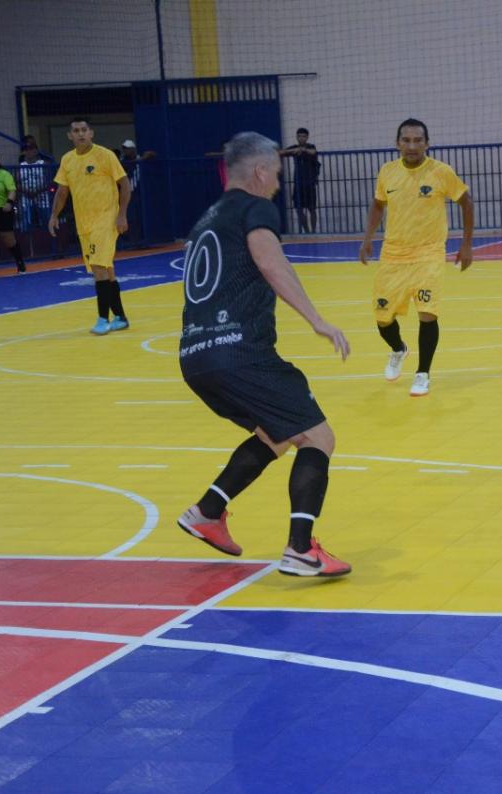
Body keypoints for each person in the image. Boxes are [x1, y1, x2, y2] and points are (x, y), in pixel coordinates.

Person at [176, 131, 352, 577]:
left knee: (276, 434)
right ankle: (300, 550)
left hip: (195, 357)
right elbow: (272, 262)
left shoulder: (205, 221)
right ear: (258, 171)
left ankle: (207, 512)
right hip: (239, 352)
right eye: (274, 173)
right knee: (318, 438)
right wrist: (317, 319)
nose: (276, 182)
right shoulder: (256, 208)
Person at [358, 118, 474, 397]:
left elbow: (465, 201)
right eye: (406, 140)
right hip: (393, 254)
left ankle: (423, 373)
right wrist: (367, 239)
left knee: (427, 313)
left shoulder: (441, 172)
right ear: (397, 143)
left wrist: (466, 244)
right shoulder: (387, 172)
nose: (412, 145)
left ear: (427, 143)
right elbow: (377, 205)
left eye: (417, 140)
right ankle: (399, 349)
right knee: (382, 318)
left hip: (429, 253)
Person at [48, 117, 132, 334]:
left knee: (98, 268)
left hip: (106, 218)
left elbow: (124, 185)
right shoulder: (67, 160)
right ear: (70, 136)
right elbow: (62, 191)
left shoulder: (105, 155)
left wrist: (122, 214)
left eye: (84, 130)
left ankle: (103, 318)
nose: (81, 134)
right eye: (76, 130)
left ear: (91, 133)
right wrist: (54, 215)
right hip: (84, 222)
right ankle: (121, 317)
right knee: (106, 268)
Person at [279, 128, 321, 233]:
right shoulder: (294, 148)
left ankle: (313, 232)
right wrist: (293, 151)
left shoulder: (310, 146)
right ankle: (307, 231)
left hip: (310, 183)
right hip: (298, 184)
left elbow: (314, 152)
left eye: (303, 136)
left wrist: (304, 150)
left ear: (307, 137)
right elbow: (280, 152)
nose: (301, 138)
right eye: (299, 136)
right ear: (296, 137)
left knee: (312, 209)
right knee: (299, 209)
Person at [17, 142, 52, 232]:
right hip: (26, 198)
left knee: (47, 222)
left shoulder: (44, 163)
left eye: (31, 149)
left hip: (42, 198)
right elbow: (17, 183)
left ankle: (48, 242)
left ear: (36, 151)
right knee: (25, 225)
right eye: (27, 149)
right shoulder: (20, 166)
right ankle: (27, 244)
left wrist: (36, 191)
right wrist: (27, 192)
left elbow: (48, 181)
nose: (29, 151)